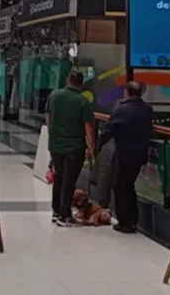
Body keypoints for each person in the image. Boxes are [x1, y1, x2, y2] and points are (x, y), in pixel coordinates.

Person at [46, 70, 95, 227]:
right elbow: (88, 127)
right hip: (74, 147)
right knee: (69, 181)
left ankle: (56, 211)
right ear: (81, 83)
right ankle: (65, 214)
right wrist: (91, 147)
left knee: (59, 178)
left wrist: (52, 131)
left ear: (68, 80)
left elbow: (47, 115)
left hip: (55, 145)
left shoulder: (54, 95)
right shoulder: (82, 101)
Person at [105, 81, 155, 233]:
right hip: (139, 155)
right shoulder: (147, 110)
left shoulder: (121, 110)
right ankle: (133, 220)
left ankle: (125, 222)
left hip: (123, 154)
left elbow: (109, 128)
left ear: (127, 93)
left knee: (121, 187)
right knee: (129, 186)